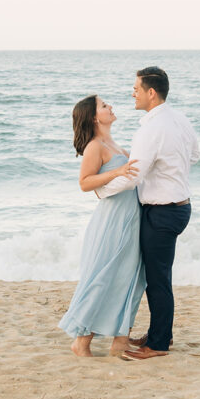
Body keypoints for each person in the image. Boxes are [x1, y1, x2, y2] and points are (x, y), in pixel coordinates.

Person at [97, 66, 199, 361]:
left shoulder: (151, 128)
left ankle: (157, 345)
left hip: (163, 212)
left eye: (136, 88)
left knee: (157, 280)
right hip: (180, 207)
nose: (133, 93)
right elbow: (194, 156)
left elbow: (133, 176)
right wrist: (169, 169)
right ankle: (161, 333)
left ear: (151, 93)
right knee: (159, 275)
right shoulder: (179, 119)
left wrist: (102, 191)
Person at [58, 95, 145, 357]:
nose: (110, 107)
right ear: (95, 117)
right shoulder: (95, 146)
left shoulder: (114, 143)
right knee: (103, 278)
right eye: (104, 106)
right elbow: (85, 183)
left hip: (131, 216)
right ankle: (81, 341)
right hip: (112, 221)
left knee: (129, 278)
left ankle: (120, 339)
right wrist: (117, 172)